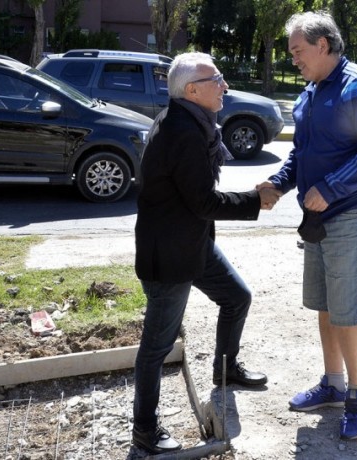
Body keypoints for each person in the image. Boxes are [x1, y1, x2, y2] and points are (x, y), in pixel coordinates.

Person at [131, 51, 282, 454]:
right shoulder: (181, 132)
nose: (225, 86)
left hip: (191, 244)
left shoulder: (191, 121)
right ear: (192, 90)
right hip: (170, 257)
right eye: (217, 79)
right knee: (156, 348)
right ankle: (144, 429)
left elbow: (195, 204)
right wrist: (254, 200)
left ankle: (225, 368)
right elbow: (203, 202)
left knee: (237, 297)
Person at [257, 11, 357, 441]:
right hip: (317, 216)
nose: (293, 59)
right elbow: (302, 152)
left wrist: (330, 188)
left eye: (298, 51)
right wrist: (278, 183)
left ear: (323, 45)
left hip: (352, 212)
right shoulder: (311, 92)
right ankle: (333, 384)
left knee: (348, 311)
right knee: (327, 305)